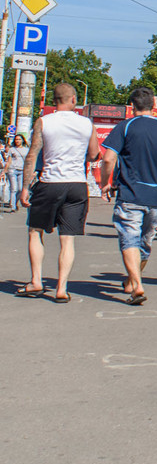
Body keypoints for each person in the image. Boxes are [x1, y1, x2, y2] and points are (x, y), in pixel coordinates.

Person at [100, 86, 157, 305]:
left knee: (129, 237)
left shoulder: (126, 127)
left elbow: (108, 158)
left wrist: (105, 184)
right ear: (154, 106)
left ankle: (136, 284)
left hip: (130, 194)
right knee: (145, 242)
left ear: (131, 106)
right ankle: (133, 280)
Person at [19, 84, 100, 302]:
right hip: (76, 184)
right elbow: (93, 155)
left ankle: (36, 281)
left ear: (55, 100)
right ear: (73, 99)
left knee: (35, 231)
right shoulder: (86, 123)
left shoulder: (44, 122)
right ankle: (61, 289)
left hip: (49, 182)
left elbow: (32, 154)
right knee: (68, 239)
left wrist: (25, 188)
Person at [5, 135, 29, 211]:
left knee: (20, 189)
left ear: (22, 140)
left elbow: (28, 161)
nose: (17, 141)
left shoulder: (26, 150)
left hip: (22, 170)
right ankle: (12, 207)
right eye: (16, 139)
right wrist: (4, 171)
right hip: (12, 170)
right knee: (13, 189)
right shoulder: (12, 149)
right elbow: (9, 161)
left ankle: (15, 202)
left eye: (19, 139)